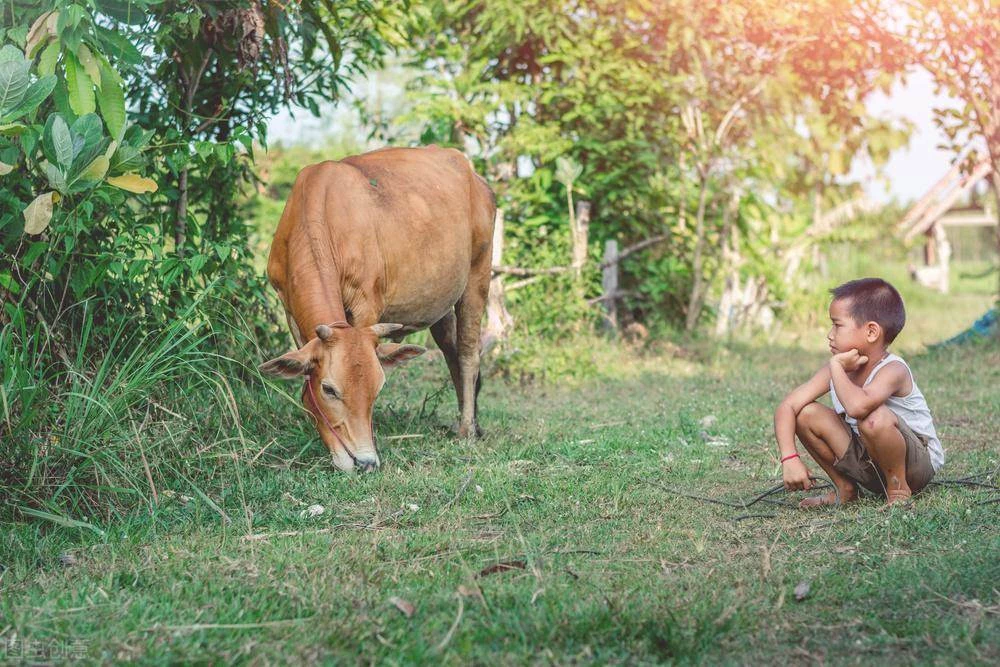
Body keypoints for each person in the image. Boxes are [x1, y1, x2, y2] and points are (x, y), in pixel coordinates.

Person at [773, 278, 944, 507]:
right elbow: (788, 406)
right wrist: (789, 457)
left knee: (872, 417)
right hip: (871, 465)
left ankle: (899, 491)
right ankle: (846, 489)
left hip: (915, 466)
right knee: (805, 413)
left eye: (837, 325)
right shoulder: (838, 368)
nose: (829, 334)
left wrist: (835, 367)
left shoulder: (893, 369)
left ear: (871, 332)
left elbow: (858, 407)